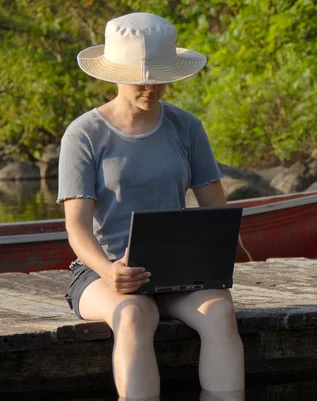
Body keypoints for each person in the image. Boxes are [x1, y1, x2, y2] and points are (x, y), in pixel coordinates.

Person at [57, 12, 244, 399]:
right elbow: (76, 227)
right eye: (141, 76)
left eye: (160, 75)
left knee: (221, 311)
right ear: (114, 73)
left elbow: (216, 212)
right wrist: (110, 272)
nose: (152, 86)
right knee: (134, 314)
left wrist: (208, 261)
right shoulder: (84, 134)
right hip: (101, 273)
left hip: (176, 272)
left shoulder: (187, 127)